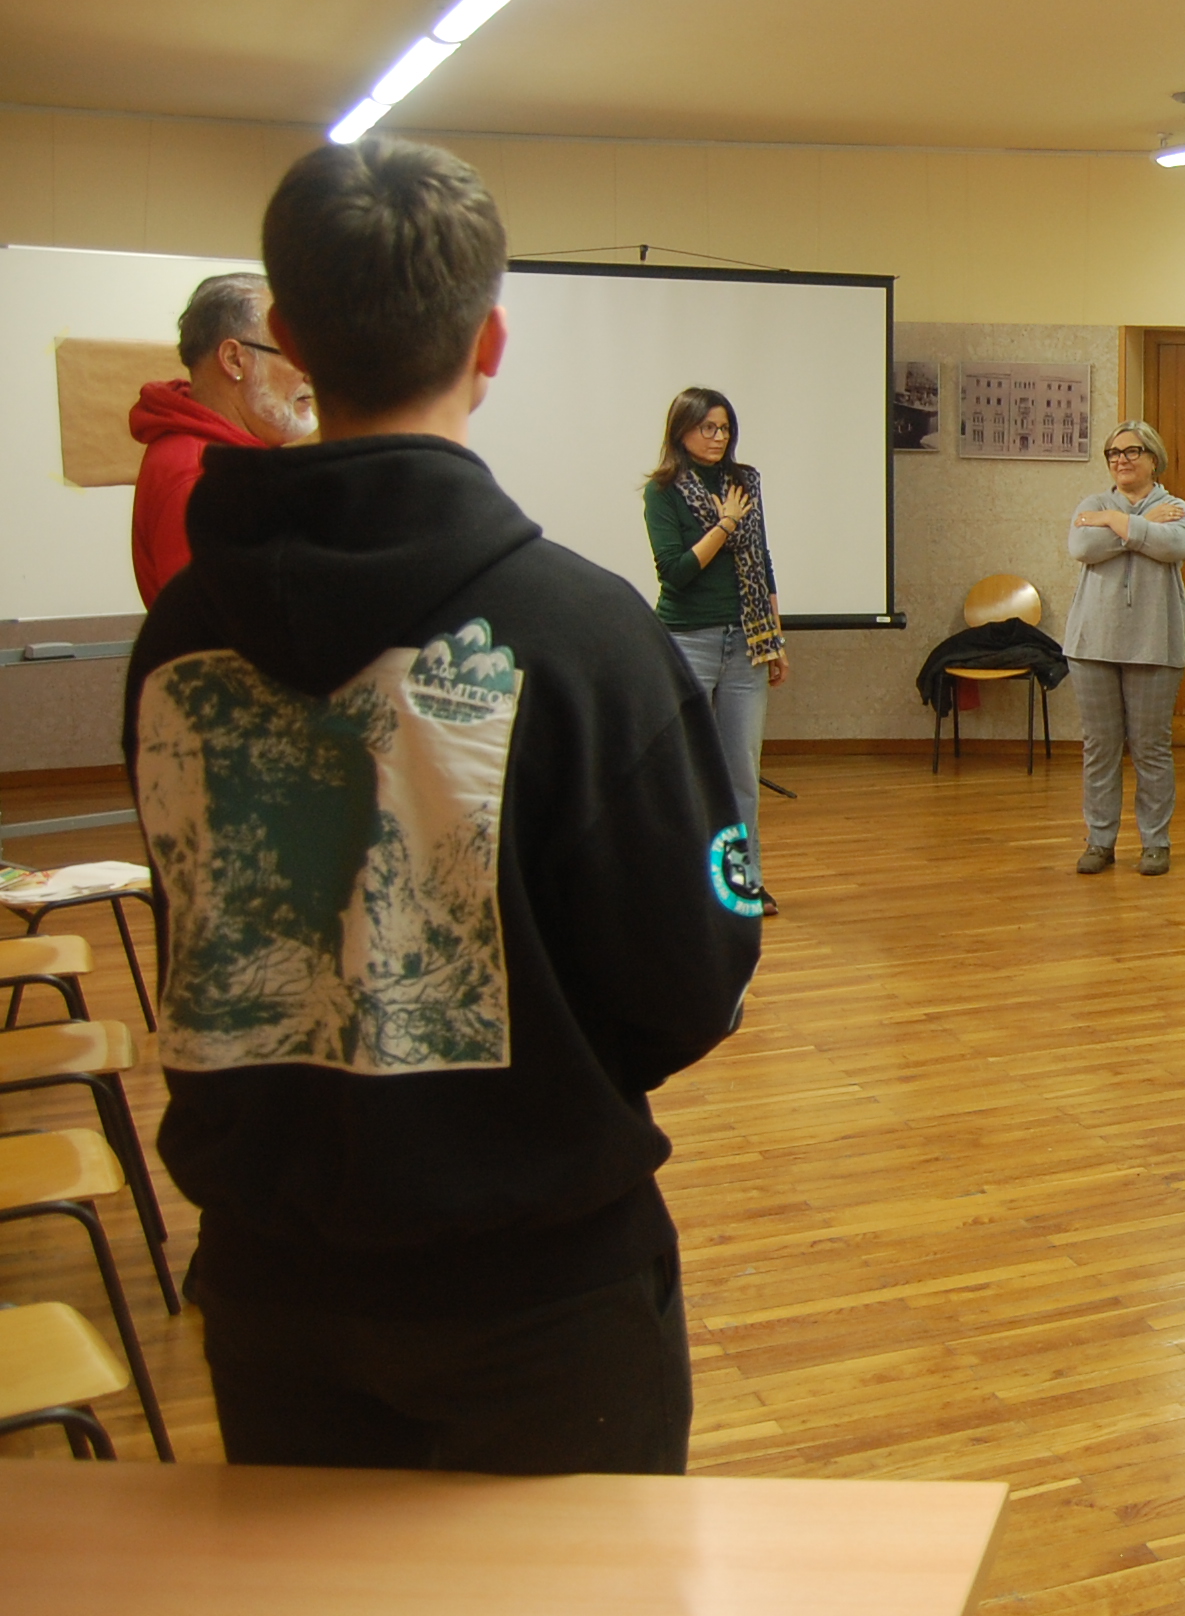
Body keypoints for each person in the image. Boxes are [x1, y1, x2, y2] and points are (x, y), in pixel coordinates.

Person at [122, 137, 760, 1474]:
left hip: (271, 1289)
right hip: (540, 1294)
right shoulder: (587, 634)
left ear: (291, 337)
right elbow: (693, 976)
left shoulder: (180, 633)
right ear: (490, 341)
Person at [645, 388, 788, 914]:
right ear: (681, 430)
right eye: (707, 427)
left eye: (725, 428)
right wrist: (725, 523)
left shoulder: (744, 482)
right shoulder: (662, 491)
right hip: (688, 641)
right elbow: (676, 573)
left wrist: (775, 638)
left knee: (740, 772)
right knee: (684, 770)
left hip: (747, 641)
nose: (718, 437)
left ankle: (743, 883)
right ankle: (680, 885)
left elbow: (761, 561)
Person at [128, 271, 316, 605]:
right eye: (294, 352)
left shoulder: (228, 460)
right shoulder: (201, 477)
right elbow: (215, 626)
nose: (310, 372)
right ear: (233, 360)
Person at [1067, 420, 1185, 876]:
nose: (1121, 460)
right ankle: (1100, 842)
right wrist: (1138, 526)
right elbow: (1082, 546)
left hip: (1154, 644)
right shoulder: (1092, 504)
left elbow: (1173, 546)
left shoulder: (1176, 508)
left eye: (1131, 451)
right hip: (1092, 644)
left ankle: (1155, 843)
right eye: (1113, 453)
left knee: (1150, 748)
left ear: (1153, 459)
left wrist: (1115, 525)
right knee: (1100, 747)